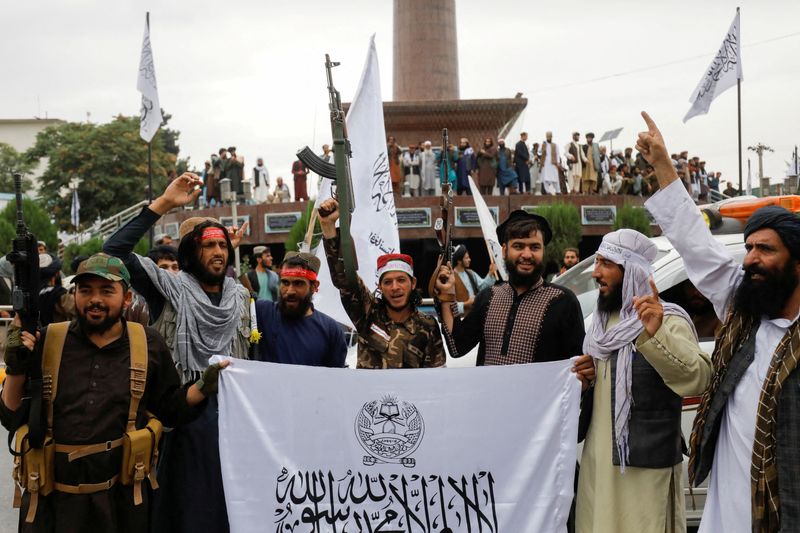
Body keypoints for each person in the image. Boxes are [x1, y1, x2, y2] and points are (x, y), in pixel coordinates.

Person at [638, 111, 800, 533]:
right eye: (748, 248)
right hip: (729, 508)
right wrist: (663, 167)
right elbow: (696, 246)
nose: (750, 260)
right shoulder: (743, 313)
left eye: (765, 250)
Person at [0, 253, 226, 532]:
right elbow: (11, 416)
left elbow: (169, 409)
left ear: (127, 298)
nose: (95, 299)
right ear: (75, 294)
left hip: (122, 507)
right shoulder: (49, 340)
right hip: (52, 505)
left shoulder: (147, 344)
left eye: (107, 291)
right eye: (86, 290)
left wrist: (203, 387)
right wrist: (15, 365)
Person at [103, 173, 251, 533]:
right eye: (207, 245)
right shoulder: (165, 290)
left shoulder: (241, 298)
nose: (217, 252)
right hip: (177, 426)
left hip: (235, 427)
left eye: (221, 245)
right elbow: (112, 252)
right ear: (189, 252)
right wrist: (164, 204)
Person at [575, 229, 712, 533]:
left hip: (644, 472)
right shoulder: (599, 328)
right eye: (596, 263)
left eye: (605, 264)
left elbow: (699, 378)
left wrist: (656, 334)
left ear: (632, 271)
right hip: (599, 469)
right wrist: (585, 382)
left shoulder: (668, 320)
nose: (596, 273)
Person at [434, 209, 585, 366]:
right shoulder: (488, 297)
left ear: (543, 251)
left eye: (534, 247)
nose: (527, 254)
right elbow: (457, 346)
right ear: (505, 251)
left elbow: (578, 366)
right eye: (518, 246)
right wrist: (447, 296)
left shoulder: (563, 301)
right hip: (490, 391)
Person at [318, 198, 445, 369]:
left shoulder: (428, 326)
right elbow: (345, 280)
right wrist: (328, 227)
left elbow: (437, 378)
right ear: (379, 286)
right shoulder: (368, 313)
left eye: (401, 280)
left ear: (413, 283)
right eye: (388, 282)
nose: (395, 287)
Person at [253, 251, 347, 366]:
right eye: (285, 283)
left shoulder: (331, 331)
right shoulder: (263, 313)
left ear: (314, 287)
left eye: (298, 284)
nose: (290, 291)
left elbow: (336, 379)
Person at [452, 244, 496, 314]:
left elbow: (483, 287)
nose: (469, 260)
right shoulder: (451, 277)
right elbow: (449, 306)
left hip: (472, 315)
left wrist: (490, 273)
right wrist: (465, 304)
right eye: (466, 258)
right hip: (459, 319)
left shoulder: (471, 273)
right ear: (459, 261)